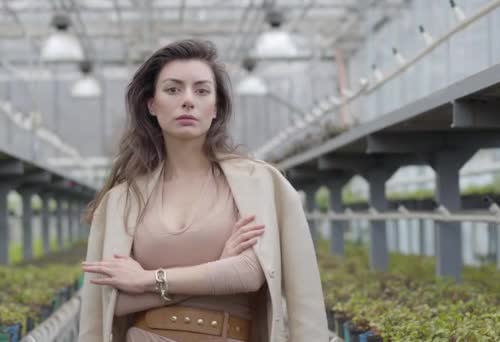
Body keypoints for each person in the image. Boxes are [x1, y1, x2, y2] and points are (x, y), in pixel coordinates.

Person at [78, 39, 328, 342]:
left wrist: (146, 280)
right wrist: (218, 271)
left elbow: (249, 273)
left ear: (216, 107)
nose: (187, 100)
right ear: (152, 104)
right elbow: (113, 303)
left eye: (201, 90)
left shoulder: (257, 184)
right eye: (172, 89)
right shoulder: (122, 201)